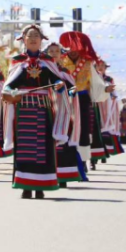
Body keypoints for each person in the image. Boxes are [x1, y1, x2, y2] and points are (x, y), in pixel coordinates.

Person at [2, 25, 71, 199]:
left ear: (42, 40)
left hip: (42, 111)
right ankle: (25, 186)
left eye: (36, 36)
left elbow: (59, 83)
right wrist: (10, 92)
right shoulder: (17, 60)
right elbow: (10, 84)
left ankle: (40, 186)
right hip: (23, 111)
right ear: (23, 39)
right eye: (29, 35)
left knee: (43, 148)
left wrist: (60, 86)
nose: (33, 38)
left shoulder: (48, 61)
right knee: (24, 149)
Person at [59, 32, 110, 173]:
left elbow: (96, 83)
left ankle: (83, 160)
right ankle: (64, 160)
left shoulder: (87, 63)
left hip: (82, 100)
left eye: (76, 47)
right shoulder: (60, 61)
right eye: (70, 47)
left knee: (83, 130)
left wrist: (105, 89)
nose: (73, 51)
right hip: (64, 99)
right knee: (66, 128)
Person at [45, 42, 82, 187]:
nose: (53, 53)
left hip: (63, 110)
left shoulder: (64, 72)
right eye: (51, 51)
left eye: (56, 51)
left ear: (61, 54)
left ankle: (63, 176)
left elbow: (72, 88)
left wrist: (70, 92)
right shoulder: (42, 69)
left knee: (63, 143)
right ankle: (48, 174)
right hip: (46, 108)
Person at [96, 59, 125, 160]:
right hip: (96, 105)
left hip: (107, 105)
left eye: (102, 66)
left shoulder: (109, 79)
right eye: (98, 65)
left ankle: (105, 151)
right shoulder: (92, 77)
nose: (100, 68)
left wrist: (112, 96)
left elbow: (113, 92)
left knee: (105, 129)